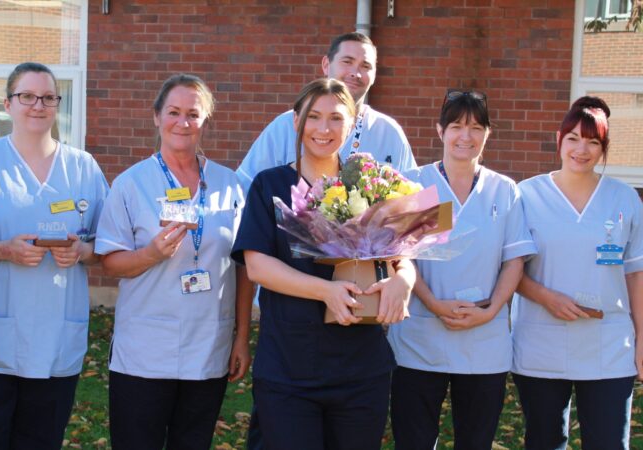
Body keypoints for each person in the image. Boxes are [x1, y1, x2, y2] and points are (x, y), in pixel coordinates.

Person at [232, 78, 415, 450]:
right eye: (313, 116)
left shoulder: (373, 184)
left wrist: (403, 282)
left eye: (336, 118)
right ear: (296, 121)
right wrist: (325, 291)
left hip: (361, 368)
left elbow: (406, 253)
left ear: (352, 124)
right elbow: (258, 266)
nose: (324, 128)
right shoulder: (270, 185)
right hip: (290, 366)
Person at [0, 62, 109, 450]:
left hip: (56, 340)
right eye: (27, 96)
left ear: (58, 104)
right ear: (7, 104)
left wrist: (82, 251)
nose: (38, 105)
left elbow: (107, 246)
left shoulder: (83, 168)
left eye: (48, 97)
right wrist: (3, 250)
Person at [95, 73, 252, 450]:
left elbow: (245, 267)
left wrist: (242, 337)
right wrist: (150, 254)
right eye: (174, 112)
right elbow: (109, 262)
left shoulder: (230, 185)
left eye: (193, 114)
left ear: (205, 121)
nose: (183, 122)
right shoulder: (131, 183)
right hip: (144, 351)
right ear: (156, 116)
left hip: (208, 346)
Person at [387, 90, 536, 449]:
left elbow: (514, 260)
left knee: (476, 441)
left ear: (488, 134)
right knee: (413, 441)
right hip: (420, 337)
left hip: (484, 340)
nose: (465, 136)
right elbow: (400, 256)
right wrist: (433, 303)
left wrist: (491, 310)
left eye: (476, 128)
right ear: (440, 131)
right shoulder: (415, 184)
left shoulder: (504, 190)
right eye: (456, 126)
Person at [511, 96, 643, 450]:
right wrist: (546, 297)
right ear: (559, 140)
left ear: (604, 148)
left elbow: (636, 274)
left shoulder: (625, 199)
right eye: (573, 138)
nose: (581, 150)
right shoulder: (526, 195)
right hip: (541, 344)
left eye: (593, 142)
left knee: (609, 443)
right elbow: (508, 269)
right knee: (545, 442)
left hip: (608, 344)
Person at [235, 31, 416, 193]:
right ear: (326, 64)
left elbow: (414, 197)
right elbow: (243, 188)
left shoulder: (389, 133)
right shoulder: (284, 126)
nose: (356, 73)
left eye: (366, 66)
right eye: (347, 62)